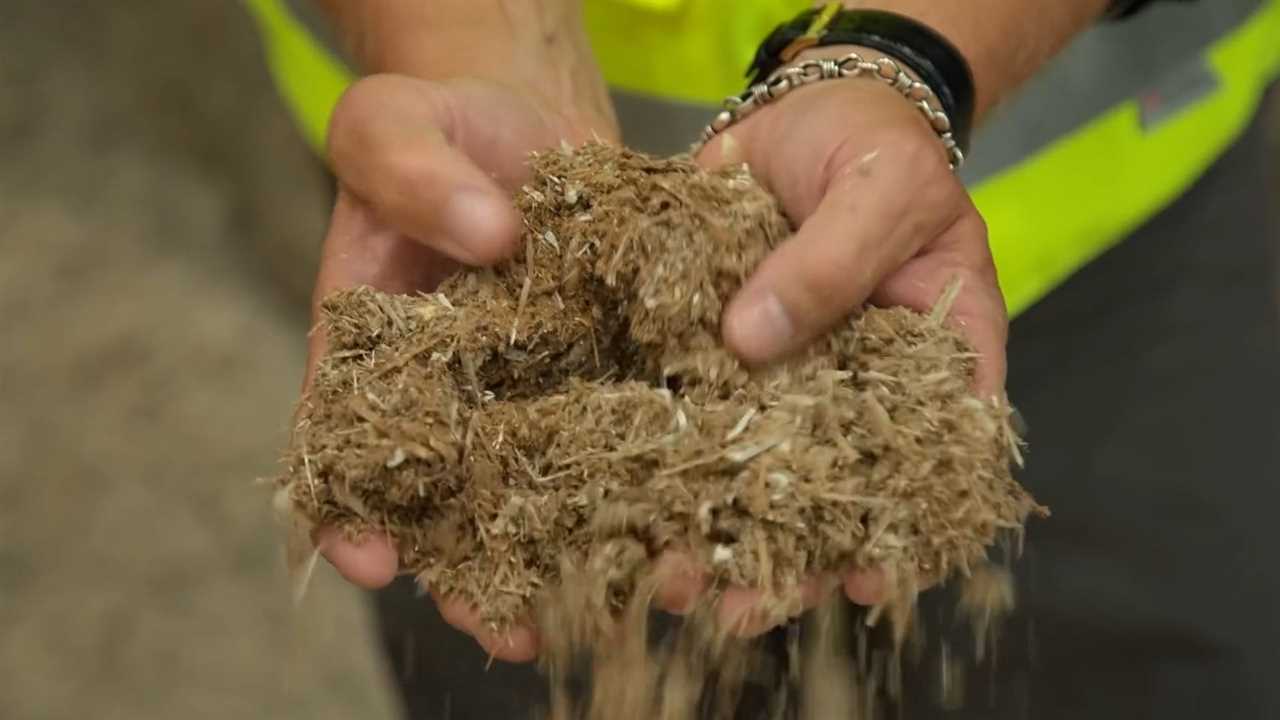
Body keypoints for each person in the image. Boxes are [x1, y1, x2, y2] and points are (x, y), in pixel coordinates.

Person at [245, 0, 1280, 716]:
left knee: (1119, 663)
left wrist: (906, 55)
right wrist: (458, 47)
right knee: (531, 647)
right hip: (468, 230)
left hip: (1109, 204)